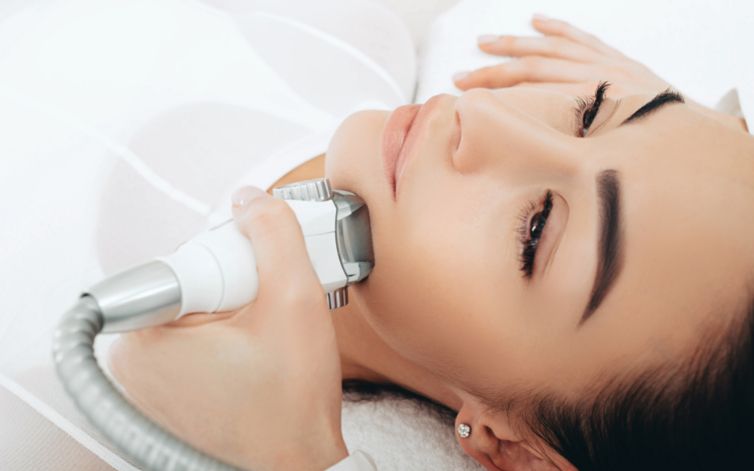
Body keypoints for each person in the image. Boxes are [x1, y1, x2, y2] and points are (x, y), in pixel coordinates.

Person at [108, 15, 754, 471]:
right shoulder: (360, 34)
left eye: (535, 230)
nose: (484, 114)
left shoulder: (140, 419)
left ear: (518, 450)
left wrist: (285, 460)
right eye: (591, 112)